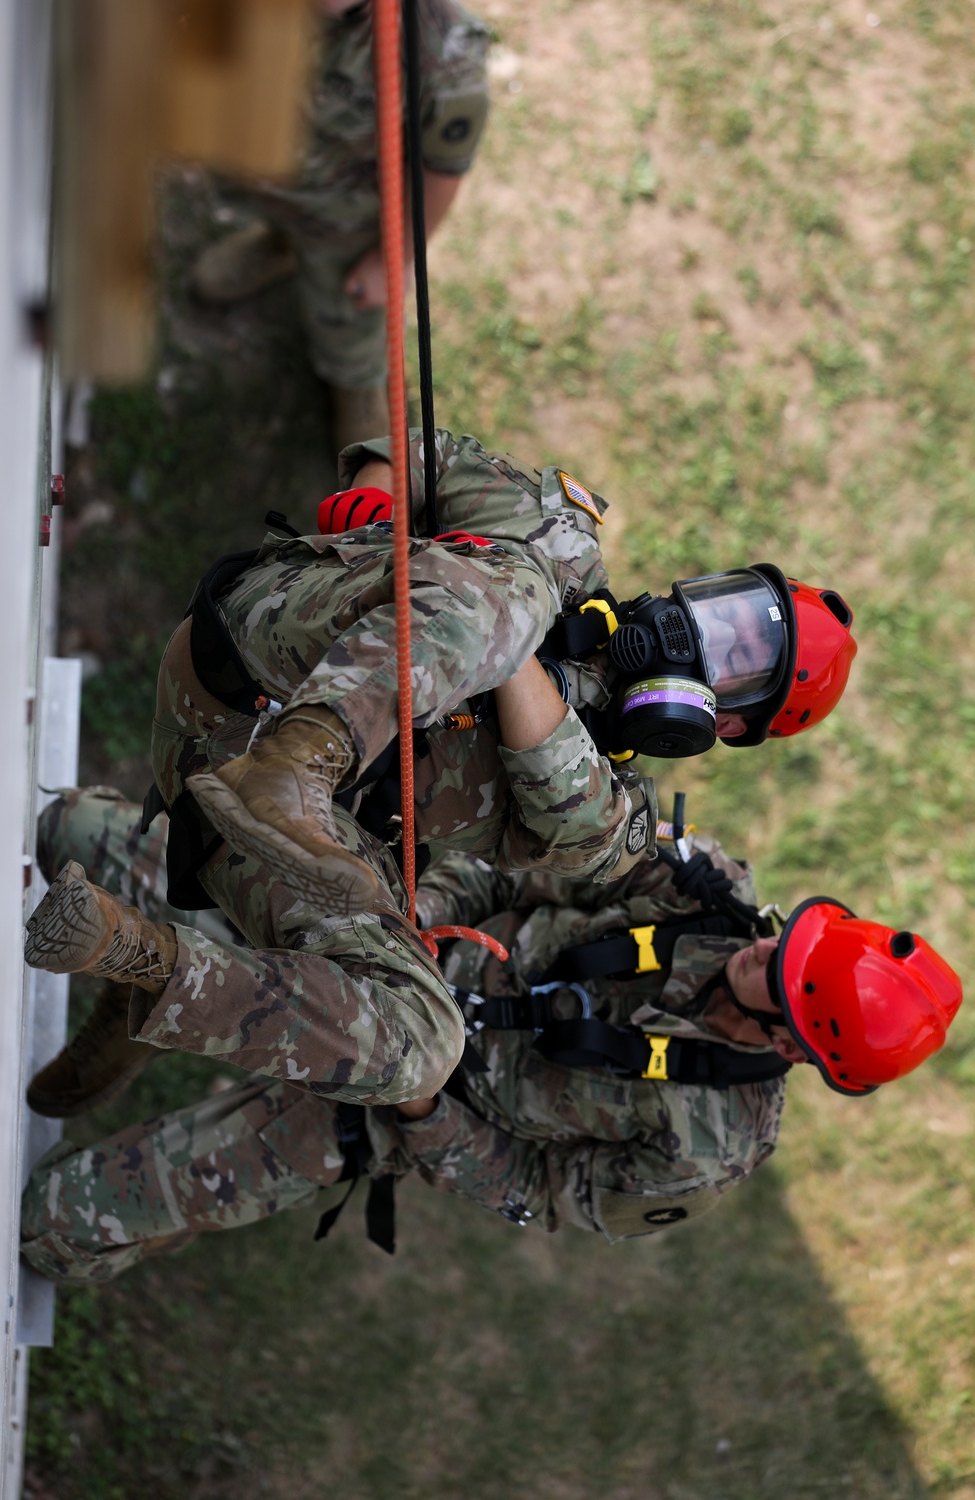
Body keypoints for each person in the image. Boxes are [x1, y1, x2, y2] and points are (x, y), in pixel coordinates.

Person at [20, 787, 961, 1281]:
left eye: (782, 987)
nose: (759, 953)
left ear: (795, 1048)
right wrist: (412, 919)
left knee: (51, 1228)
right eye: (786, 941)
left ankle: (177, 1024)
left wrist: (427, 1111)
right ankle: (157, 1004)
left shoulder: (709, 1148)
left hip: (397, 1114)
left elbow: (538, 1195)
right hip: (394, 955)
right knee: (77, 833)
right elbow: (510, 876)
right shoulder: (698, 895)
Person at [159, 427, 858, 917]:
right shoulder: (560, 546)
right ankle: (296, 764)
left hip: (245, 835)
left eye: (734, 657)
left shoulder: (621, 820)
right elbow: (427, 454)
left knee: (426, 1038)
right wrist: (375, 501)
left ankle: (147, 962)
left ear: (728, 720)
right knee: (525, 581)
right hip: (249, 655)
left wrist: (504, 631)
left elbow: (577, 823)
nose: (693, 627)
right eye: (719, 606)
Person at [191, 0, 491, 450]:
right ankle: (280, 246)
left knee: (347, 327)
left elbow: (440, 173)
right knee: (274, 219)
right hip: (271, 183)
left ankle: (357, 387)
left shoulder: (442, 58)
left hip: (346, 229)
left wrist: (395, 259)